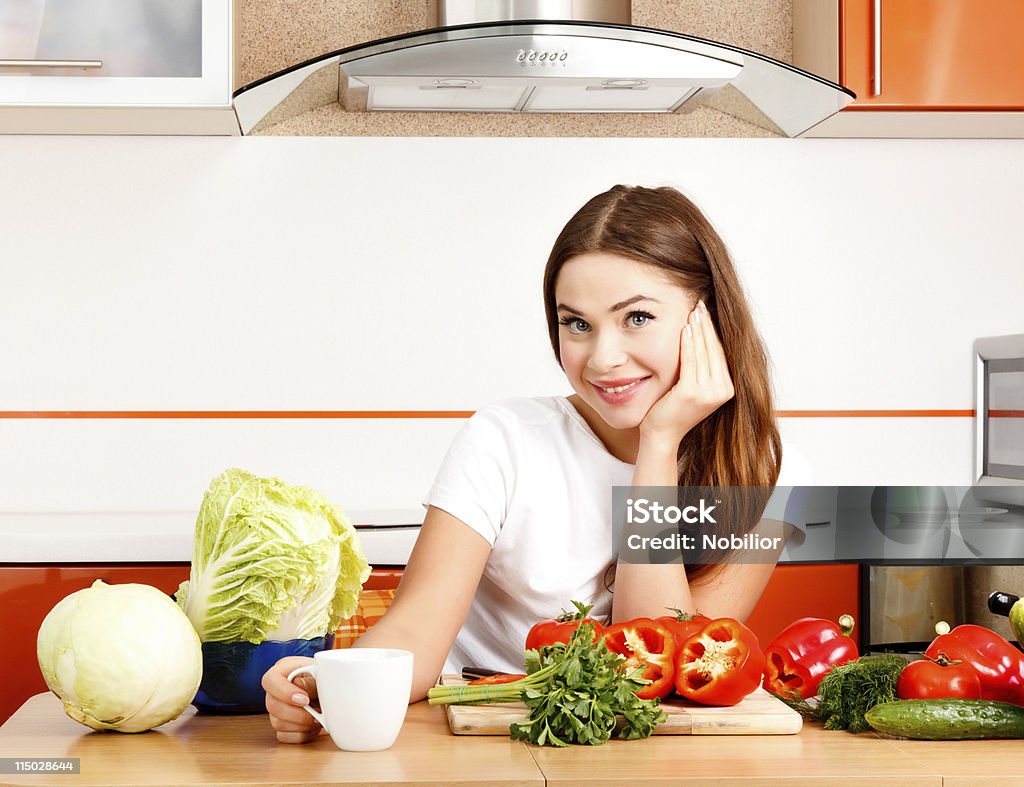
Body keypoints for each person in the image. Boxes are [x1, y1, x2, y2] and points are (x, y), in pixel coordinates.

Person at [263, 184, 789, 743]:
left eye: (636, 317)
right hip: (477, 743)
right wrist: (324, 684)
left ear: (709, 319)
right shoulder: (504, 438)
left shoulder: (765, 471)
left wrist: (659, 444)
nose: (603, 357)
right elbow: (414, 627)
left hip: (643, 760)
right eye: (577, 324)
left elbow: (662, 662)